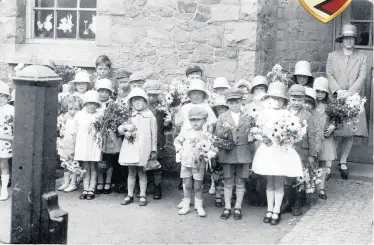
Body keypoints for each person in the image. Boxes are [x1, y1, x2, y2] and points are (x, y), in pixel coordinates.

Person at [252, 82, 303, 225]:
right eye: (272, 98)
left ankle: (276, 210)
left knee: (279, 182)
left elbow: (293, 133)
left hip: (281, 151)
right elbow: (257, 130)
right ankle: (269, 209)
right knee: (269, 182)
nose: (275, 101)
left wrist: (285, 138)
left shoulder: (287, 115)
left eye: (279, 99)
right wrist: (263, 137)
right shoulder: (264, 113)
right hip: (268, 150)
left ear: (284, 101)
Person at [326, 23, 368, 179]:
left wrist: (350, 93)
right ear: (342, 39)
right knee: (334, 131)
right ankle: (329, 163)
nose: (349, 41)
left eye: (351, 38)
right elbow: (329, 74)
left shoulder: (362, 57)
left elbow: (362, 76)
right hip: (336, 97)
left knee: (350, 132)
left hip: (352, 99)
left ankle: (343, 161)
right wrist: (338, 91)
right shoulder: (332, 56)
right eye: (346, 38)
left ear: (355, 40)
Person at [216, 88, 253, 220]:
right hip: (228, 153)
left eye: (237, 102)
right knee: (228, 180)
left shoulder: (248, 117)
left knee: (240, 181)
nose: (234, 105)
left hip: (243, 153)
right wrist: (224, 134)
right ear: (227, 103)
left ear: (241, 102)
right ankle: (227, 207)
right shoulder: (222, 117)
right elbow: (218, 136)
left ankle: (238, 207)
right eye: (231, 102)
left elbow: (252, 136)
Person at [118, 88, 157, 206]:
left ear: (145, 101)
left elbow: (154, 134)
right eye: (134, 101)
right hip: (130, 147)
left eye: (139, 100)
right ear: (131, 103)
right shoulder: (129, 115)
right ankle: (129, 194)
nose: (137, 103)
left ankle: (142, 195)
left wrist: (153, 149)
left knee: (142, 171)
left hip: (144, 148)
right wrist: (125, 129)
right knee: (131, 171)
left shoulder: (150, 115)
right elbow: (120, 129)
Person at [283, 84, 318, 216]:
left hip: (301, 151)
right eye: (294, 99)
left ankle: (298, 203)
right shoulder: (284, 112)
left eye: (300, 100)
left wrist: (311, 155)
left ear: (303, 100)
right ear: (289, 98)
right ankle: (287, 202)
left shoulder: (307, 116)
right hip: (286, 150)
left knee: (299, 177)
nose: (296, 103)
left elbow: (312, 136)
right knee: (287, 177)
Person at [174, 107, 212, 217]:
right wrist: (180, 150)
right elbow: (177, 141)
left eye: (198, 120)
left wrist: (207, 152)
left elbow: (209, 148)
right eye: (192, 120)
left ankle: (199, 204)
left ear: (204, 121)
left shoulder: (206, 135)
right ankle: (186, 204)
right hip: (186, 162)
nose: (195, 122)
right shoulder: (185, 132)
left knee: (198, 186)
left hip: (198, 164)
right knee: (187, 184)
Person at [143, 80, 172, 200]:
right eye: (149, 95)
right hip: (145, 139)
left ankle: (157, 186)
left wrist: (167, 123)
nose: (151, 98)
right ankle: (145, 186)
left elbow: (167, 127)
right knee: (144, 162)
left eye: (154, 95)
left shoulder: (163, 108)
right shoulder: (143, 108)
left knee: (157, 165)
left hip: (158, 139)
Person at [73, 90, 103, 200]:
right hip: (83, 144)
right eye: (90, 103)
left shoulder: (100, 115)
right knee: (85, 167)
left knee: (93, 167)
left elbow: (102, 131)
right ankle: (85, 188)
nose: (92, 106)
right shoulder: (79, 115)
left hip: (94, 144)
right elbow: (75, 130)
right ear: (85, 104)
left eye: (95, 104)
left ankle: (91, 189)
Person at [244, 75, 268, 207]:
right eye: (257, 89)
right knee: (252, 168)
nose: (260, 92)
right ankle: (252, 195)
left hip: (264, 140)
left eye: (262, 89)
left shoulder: (269, 105)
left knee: (264, 168)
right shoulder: (248, 106)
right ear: (253, 91)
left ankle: (263, 196)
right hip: (252, 141)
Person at [95, 78, 121, 195]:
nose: (103, 94)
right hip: (97, 135)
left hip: (109, 136)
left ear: (110, 93)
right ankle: (100, 181)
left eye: (106, 91)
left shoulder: (112, 104)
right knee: (99, 159)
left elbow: (116, 119)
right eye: (101, 91)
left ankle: (108, 182)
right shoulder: (95, 103)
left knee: (109, 160)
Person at [313, 77, 337, 199]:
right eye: (317, 91)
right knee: (311, 162)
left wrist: (333, 126)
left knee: (322, 163)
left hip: (325, 138)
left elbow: (336, 119)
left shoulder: (329, 107)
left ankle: (321, 187)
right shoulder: (310, 105)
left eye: (323, 92)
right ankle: (310, 185)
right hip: (312, 138)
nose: (320, 94)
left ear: (326, 93)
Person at [58, 95, 83, 193]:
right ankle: (66, 182)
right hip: (65, 145)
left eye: (76, 109)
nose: (73, 111)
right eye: (70, 109)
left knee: (74, 165)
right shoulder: (65, 118)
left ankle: (73, 183)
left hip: (74, 145)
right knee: (65, 164)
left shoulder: (79, 118)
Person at [211, 95, 229, 207]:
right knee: (217, 173)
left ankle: (227, 194)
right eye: (218, 108)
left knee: (228, 173)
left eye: (223, 108)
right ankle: (218, 195)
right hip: (216, 151)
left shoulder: (231, 120)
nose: (220, 110)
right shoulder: (213, 122)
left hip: (228, 150)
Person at [0, 81, 14, 201]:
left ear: (7, 97)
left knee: (4, 164)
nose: (0, 98)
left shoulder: (11, 109)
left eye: (2, 95)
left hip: (4, 141)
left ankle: (4, 189)